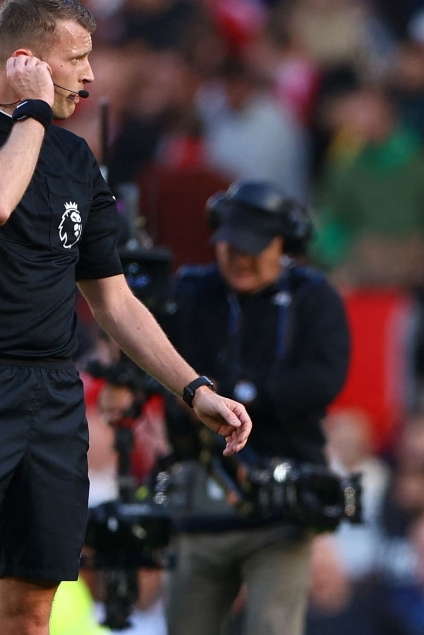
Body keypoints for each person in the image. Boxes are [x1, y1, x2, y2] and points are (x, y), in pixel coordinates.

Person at [0, 0, 252, 635]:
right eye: (77, 58)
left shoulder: (75, 161)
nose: (90, 75)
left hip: (54, 398)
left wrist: (193, 388)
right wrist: (33, 112)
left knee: (29, 613)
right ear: (26, 62)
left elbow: (114, 300)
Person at [141, 180, 350, 635]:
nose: (239, 258)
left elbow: (323, 381)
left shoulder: (314, 297)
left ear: (284, 244)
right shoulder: (189, 292)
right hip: (197, 493)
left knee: (273, 627)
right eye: (229, 245)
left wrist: (235, 396)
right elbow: (148, 358)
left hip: (283, 501)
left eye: (253, 248)